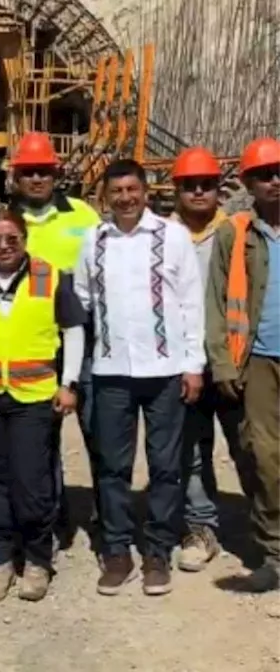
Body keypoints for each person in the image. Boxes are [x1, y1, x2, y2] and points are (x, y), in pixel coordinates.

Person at [73, 160, 204, 597]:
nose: (125, 198)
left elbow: (190, 302)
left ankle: (158, 551)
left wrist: (193, 364)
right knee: (112, 466)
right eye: (117, 191)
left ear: (146, 192)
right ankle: (116, 551)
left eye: (132, 189)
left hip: (165, 371)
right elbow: (83, 300)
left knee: (165, 466)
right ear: (105, 196)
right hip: (111, 372)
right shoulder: (94, 240)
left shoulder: (173, 236)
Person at [0, 209, 88, 603]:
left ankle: (36, 560)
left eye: (11, 238)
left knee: (32, 481)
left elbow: (74, 330)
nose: (3, 246)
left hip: (33, 397)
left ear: (24, 240)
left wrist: (69, 384)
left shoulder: (50, 277)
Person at [7, 132, 101, 548]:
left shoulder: (83, 215)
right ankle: (54, 513)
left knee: (97, 427)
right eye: (28, 172)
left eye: (43, 171)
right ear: (16, 178)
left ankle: (106, 511)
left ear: (56, 174)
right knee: (42, 433)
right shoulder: (6, 223)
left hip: (83, 336)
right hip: (35, 341)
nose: (36, 179)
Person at [205, 136, 280, 593]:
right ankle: (275, 552)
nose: (275, 180)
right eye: (264, 175)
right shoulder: (235, 233)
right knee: (266, 458)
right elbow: (216, 303)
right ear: (248, 182)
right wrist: (223, 365)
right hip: (259, 362)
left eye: (279, 172)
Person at [167, 147, 243, 573]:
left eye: (206, 184)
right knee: (192, 451)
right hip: (184, 363)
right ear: (176, 189)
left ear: (219, 188)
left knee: (251, 447)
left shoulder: (236, 232)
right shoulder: (161, 234)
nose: (198, 191)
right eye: (189, 185)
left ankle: (267, 529)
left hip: (231, 360)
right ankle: (200, 527)